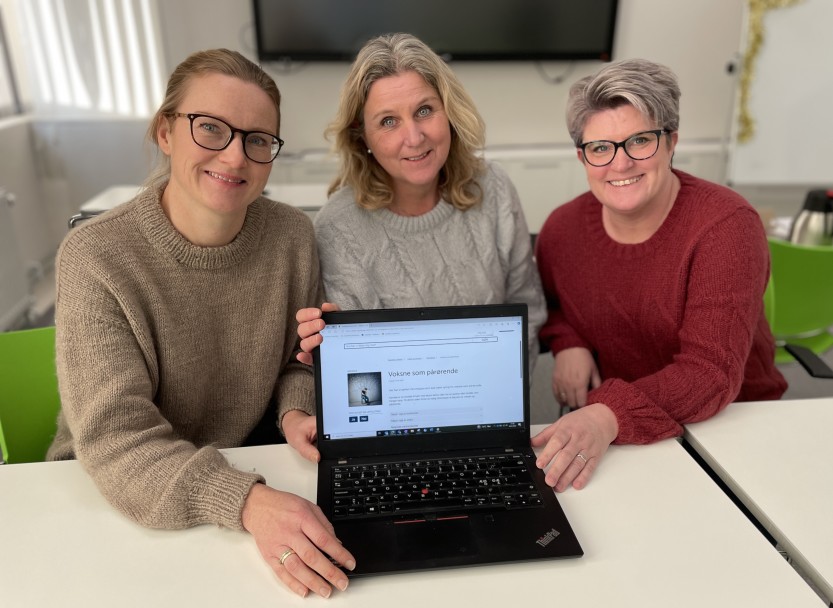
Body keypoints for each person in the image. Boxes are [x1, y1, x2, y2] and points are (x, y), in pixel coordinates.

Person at [46, 49, 354, 598]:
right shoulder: (95, 256)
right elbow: (117, 440)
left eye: (258, 140)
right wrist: (246, 502)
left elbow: (293, 360)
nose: (235, 157)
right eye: (210, 128)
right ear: (166, 132)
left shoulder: (292, 238)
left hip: (255, 478)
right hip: (123, 496)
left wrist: (296, 409)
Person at [531, 58, 787, 492]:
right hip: (625, 440)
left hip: (730, 428)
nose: (621, 163)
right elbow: (553, 303)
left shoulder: (726, 227)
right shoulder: (562, 229)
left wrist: (604, 413)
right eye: (601, 148)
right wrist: (567, 342)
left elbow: (710, 372)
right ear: (583, 157)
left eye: (640, 142)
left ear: (671, 143)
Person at [288, 33, 546, 462]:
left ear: (449, 112)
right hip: (391, 445)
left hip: (488, 430)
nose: (414, 137)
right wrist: (332, 364)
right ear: (362, 136)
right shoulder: (338, 225)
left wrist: (485, 412)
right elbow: (359, 379)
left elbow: (528, 311)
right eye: (388, 121)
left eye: (425, 110)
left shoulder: (495, 189)